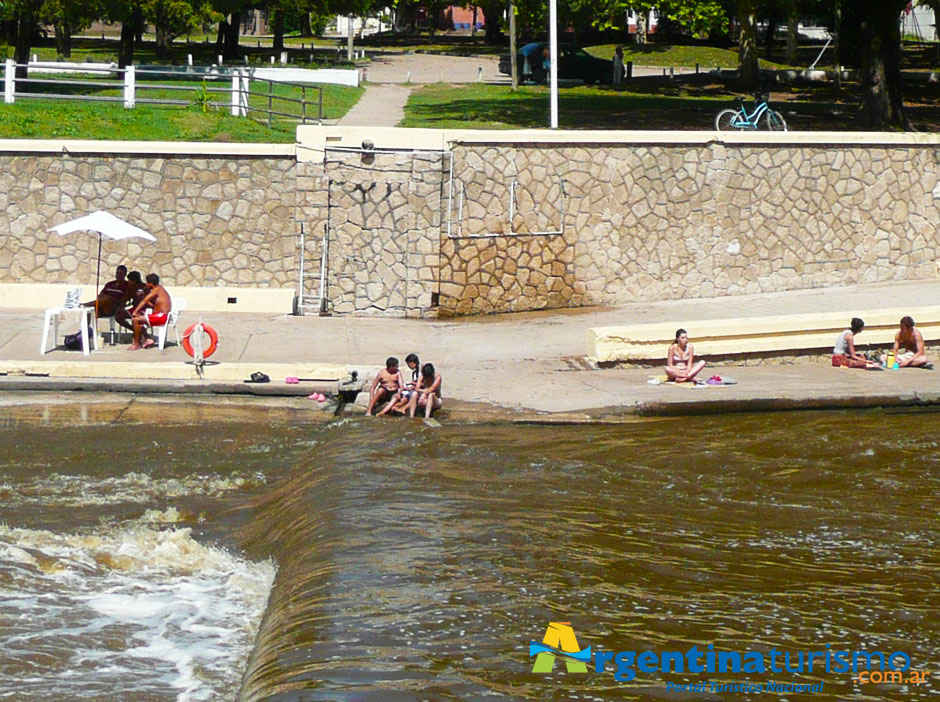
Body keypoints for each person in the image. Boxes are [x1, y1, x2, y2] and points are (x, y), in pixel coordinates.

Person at [129, 273, 171, 351]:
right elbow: (153, 305)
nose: (146, 284)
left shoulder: (157, 290)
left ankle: (136, 344)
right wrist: (143, 296)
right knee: (138, 321)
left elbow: (145, 301)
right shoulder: (159, 289)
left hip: (161, 317)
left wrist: (135, 311)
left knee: (135, 320)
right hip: (159, 315)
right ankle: (148, 339)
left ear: (151, 284)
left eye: (147, 282)